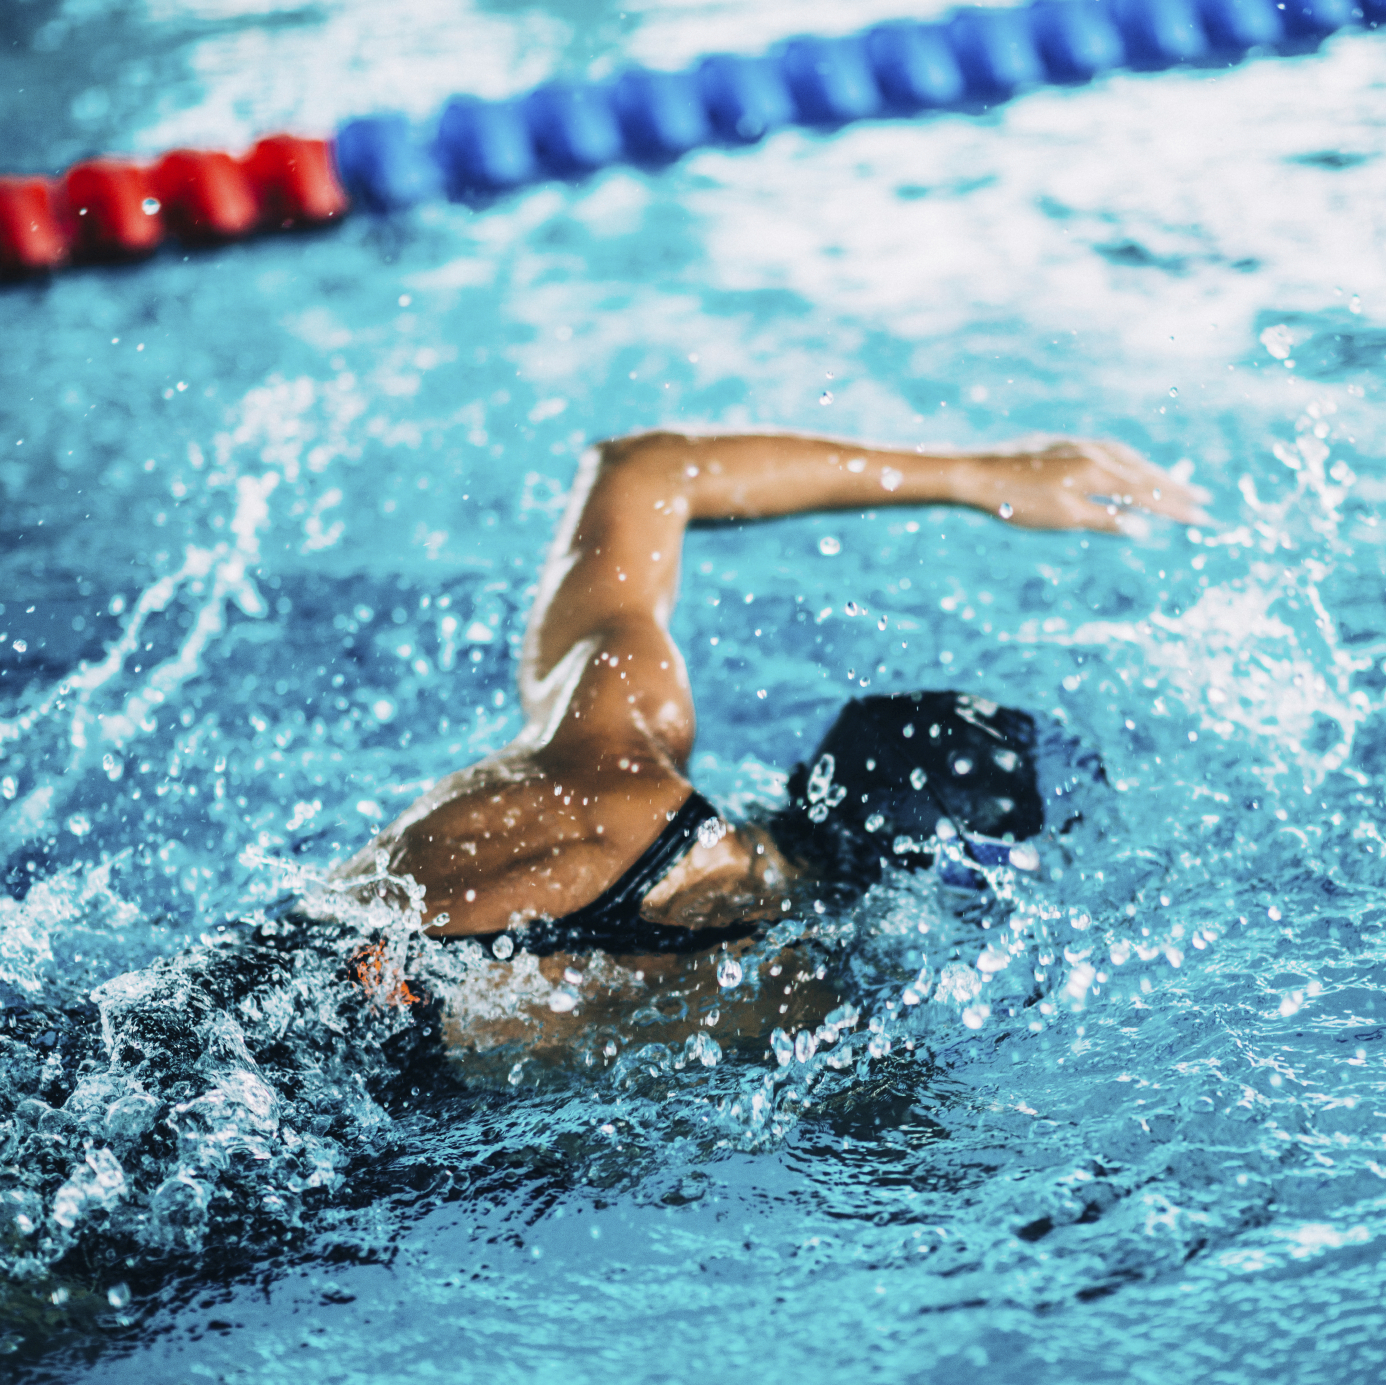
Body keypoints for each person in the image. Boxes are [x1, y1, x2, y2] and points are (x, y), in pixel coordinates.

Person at [331, 429, 1208, 1058]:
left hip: (240, 985)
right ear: (915, 877)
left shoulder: (614, 743)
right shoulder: (786, 1003)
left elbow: (645, 468)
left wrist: (977, 476)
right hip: (305, 1134)